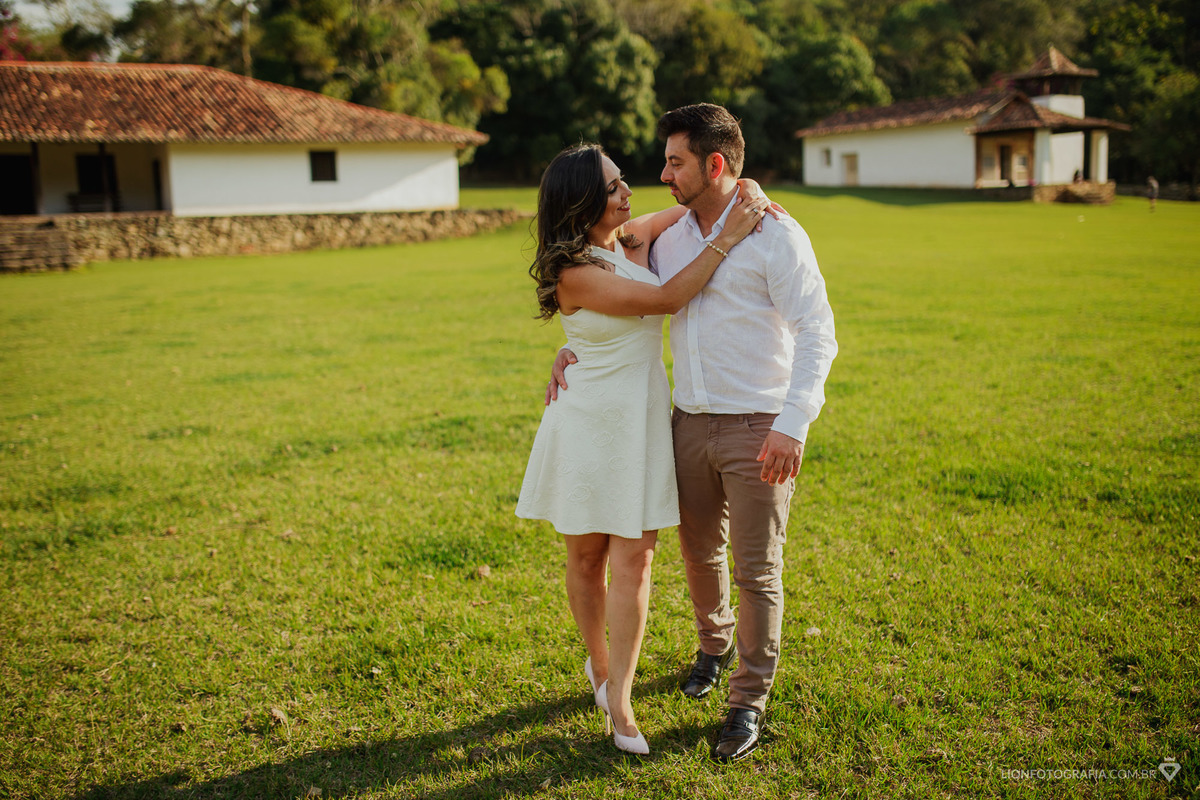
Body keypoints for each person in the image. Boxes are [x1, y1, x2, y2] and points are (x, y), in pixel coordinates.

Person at [549, 104, 838, 762]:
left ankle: (748, 701)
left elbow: (820, 333)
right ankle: (714, 647)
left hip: (759, 422)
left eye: (675, 162)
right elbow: (606, 286)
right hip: (681, 421)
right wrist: (573, 351)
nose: (660, 174)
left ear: (714, 165)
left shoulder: (777, 236)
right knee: (698, 555)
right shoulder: (671, 237)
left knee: (757, 570)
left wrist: (792, 423)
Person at [515, 143, 775, 755]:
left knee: (637, 559)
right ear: (581, 202)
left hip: (639, 420)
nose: (628, 192)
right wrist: (730, 236)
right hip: (586, 422)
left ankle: (622, 699)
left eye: (623, 181)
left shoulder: (630, 240)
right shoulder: (574, 272)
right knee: (586, 558)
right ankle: (601, 671)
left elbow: (697, 208)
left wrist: (748, 194)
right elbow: (664, 299)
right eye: (612, 187)